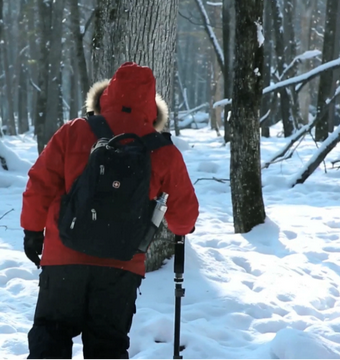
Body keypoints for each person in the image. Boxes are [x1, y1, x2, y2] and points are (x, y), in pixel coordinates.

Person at [21, 62, 199, 360]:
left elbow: (40, 183)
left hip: (64, 258)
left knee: (50, 336)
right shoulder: (162, 150)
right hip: (121, 266)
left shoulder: (74, 131)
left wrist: (32, 231)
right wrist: (182, 228)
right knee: (108, 344)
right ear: (152, 108)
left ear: (106, 95)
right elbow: (184, 217)